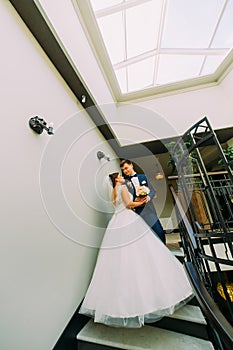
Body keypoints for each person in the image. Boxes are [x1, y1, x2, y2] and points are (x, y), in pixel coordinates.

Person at [79, 172, 193, 328]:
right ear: (117, 179)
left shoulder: (114, 191)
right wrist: (141, 201)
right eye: (119, 175)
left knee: (119, 256)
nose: (121, 176)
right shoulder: (123, 188)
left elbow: (115, 203)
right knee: (143, 250)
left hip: (116, 222)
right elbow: (128, 205)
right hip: (127, 218)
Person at [120, 159, 166, 244]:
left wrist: (148, 197)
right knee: (145, 237)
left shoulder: (143, 177)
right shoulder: (125, 183)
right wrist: (135, 200)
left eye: (126, 168)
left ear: (131, 165)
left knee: (159, 231)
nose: (125, 171)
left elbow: (152, 191)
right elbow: (126, 198)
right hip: (137, 212)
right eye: (123, 170)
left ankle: (165, 252)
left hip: (149, 210)